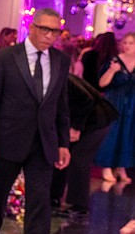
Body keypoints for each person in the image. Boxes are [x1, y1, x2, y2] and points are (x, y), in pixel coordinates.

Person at [0, 8, 71, 234]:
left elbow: (61, 105)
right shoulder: (5, 58)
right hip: (8, 140)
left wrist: (63, 142)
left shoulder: (60, 60)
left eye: (55, 32)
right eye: (45, 29)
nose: (50, 36)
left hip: (43, 143)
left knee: (40, 203)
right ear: (32, 27)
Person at [50, 74, 118, 216]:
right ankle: (54, 196)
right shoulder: (55, 77)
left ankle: (80, 206)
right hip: (83, 120)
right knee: (62, 154)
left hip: (96, 120)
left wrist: (76, 127)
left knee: (78, 158)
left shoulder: (61, 78)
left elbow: (87, 99)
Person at [95, 32, 135, 184]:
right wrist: (112, 70)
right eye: (125, 42)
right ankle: (106, 166)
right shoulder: (114, 61)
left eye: (131, 43)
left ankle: (121, 166)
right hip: (115, 101)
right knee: (111, 133)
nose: (127, 46)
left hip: (131, 104)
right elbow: (102, 83)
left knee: (127, 134)